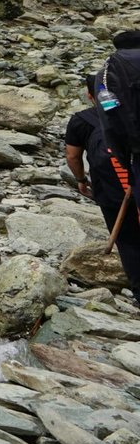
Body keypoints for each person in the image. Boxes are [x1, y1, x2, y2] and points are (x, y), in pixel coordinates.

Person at [66, 75, 140, 295]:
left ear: (90, 96)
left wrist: (81, 180)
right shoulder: (132, 112)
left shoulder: (82, 120)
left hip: (110, 188)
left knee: (128, 239)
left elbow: (72, 156)